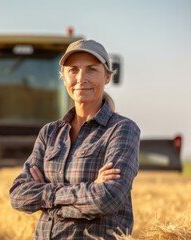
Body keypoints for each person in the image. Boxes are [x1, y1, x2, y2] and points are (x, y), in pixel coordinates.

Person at [9, 39, 140, 240]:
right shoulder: (49, 133)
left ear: (106, 77)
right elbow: (18, 194)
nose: (81, 78)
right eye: (73, 70)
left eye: (91, 70)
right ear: (63, 77)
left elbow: (108, 198)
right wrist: (86, 191)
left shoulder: (122, 130)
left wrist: (46, 197)